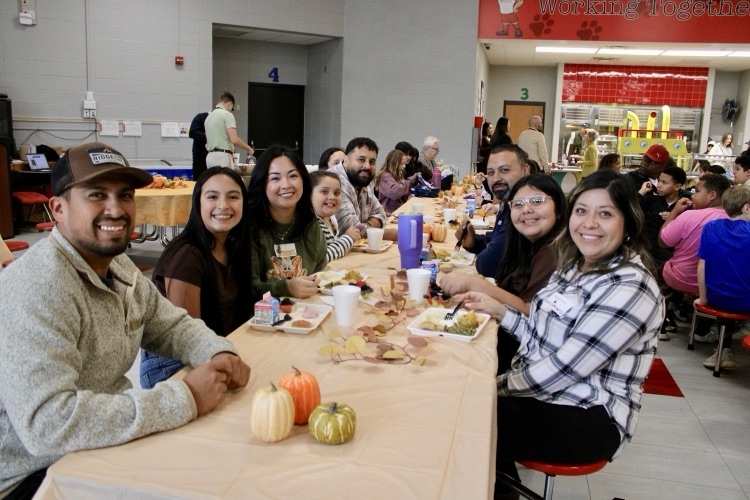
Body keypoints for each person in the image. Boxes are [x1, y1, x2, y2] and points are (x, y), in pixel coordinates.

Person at [0, 142, 251, 498]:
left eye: (125, 195)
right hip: (33, 475)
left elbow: (172, 325)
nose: (115, 209)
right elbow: (47, 425)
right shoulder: (37, 288)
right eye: (97, 195)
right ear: (58, 208)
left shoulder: (118, 267)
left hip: (103, 442)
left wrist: (217, 351)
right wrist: (184, 396)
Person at [454, 170, 663, 498]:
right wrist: (499, 310)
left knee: (461, 421)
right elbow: (541, 333)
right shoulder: (573, 266)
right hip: (546, 395)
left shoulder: (630, 285)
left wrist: (489, 388)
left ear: (628, 224)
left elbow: (565, 367)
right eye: (582, 211)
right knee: (465, 414)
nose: (589, 223)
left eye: (605, 213)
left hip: (590, 414)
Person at [140, 168, 254, 388]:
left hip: (214, 351)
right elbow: (188, 339)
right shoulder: (187, 256)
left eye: (233, 197)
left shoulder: (235, 248)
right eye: (212, 197)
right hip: (172, 367)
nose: (223, 205)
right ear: (198, 203)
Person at [440, 174, 567, 370]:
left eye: (537, 201)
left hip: (526, 359)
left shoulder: (554, 252)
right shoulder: (526, 243)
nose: (526, 209)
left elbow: (530, 311)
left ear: (558, 208)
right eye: (518, 204)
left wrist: (477, 285)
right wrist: (474, 244)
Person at [247, 144, 326, 302]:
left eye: (293, 176)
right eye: (275, 178)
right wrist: (286, 288)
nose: (286, 185)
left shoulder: (310, 223)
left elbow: (320, 273)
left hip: (305, 315)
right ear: (262, 183)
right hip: (260, 320)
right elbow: (248, 288)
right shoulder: (249, 227)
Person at [658, 174, 732, 341]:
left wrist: (675, 211)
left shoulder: (689, 216)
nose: (692, 195)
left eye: (697, 191)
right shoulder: (734, 220)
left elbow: (663, 240)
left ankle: (661, 324)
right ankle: (702, 330)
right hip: (716, 286)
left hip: (681, 278)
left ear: (711, 195)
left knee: (662, 270)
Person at [696, 186, 750, 369]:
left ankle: (722, 349)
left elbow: (702, 265)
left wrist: (703, 299)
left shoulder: (711, 227)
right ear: (747, 208)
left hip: (716, 297)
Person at [457, 144, 530, 278]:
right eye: (491, 172)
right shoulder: (509, 203)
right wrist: (474, 242)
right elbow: (497, 237)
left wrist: (484, 252)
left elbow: (487, 265)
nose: (496, 178)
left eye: (504, 170)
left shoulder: (526, 210)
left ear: (525, 170)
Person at [330, 137, 388, 237]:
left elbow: (381, 214)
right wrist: (389, 234)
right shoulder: (335, 182)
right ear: (346, 160)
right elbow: (351, 229)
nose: (367, 166)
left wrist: (365, 226)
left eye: (372, 161)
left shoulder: (364, 179)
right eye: (361, 160)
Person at [310, 170, 361, 262]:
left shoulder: (331, 219)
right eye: (324, 192)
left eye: (337, 193)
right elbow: (322, 257)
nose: (332, 197)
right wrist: (348, 238)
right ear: (308, 195)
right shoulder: (311, 223)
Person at [204, 92, 254, 169]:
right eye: (232, 108)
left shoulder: (209, 117)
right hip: (222, 157)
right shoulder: (227, 114)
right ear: (230, 104)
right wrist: (249, 148)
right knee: (225, 180)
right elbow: (234, 140)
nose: (231, 110)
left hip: (210, 157)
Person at [375, 149, 420, 215]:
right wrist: (410, 181)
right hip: (388, 212)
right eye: (401, 164)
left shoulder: (398, 174)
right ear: (393, 163)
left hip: (397, 210)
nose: (404, 166)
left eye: (405, 164)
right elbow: (395, 192)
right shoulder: (386, 176)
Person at [188, 110, 209, 180]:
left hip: (213, 156)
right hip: (200, 156)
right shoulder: (201, 117)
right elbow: (192, 133)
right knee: (199, 179)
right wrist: (209, 136)